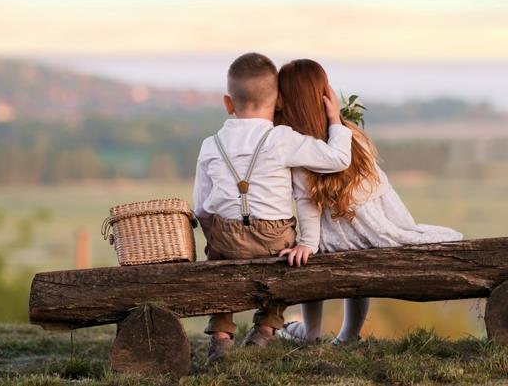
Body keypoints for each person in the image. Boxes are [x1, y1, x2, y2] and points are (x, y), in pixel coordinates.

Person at [275, 59, 463, 344]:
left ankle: (311, 332)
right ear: (324, 96)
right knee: (349, 253)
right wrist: (400, 226)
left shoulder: (299, 147)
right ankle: (349, 335)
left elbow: (306, 203)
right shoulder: (350, 135)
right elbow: (382, 192)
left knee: (310, 253)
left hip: (337, 239)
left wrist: (308, 243)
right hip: (376, 231)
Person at [192, 53, 352, 362]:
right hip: (273, 237)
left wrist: (220, 231)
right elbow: (338, 159)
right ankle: (266, 326)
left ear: (228, 103)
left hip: (225, 240)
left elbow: (200, 205)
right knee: (287, 257)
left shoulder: (211, 144)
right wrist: (335, 120)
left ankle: (222, 332)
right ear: (278, 101)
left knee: (215, 260)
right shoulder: (283, 139)